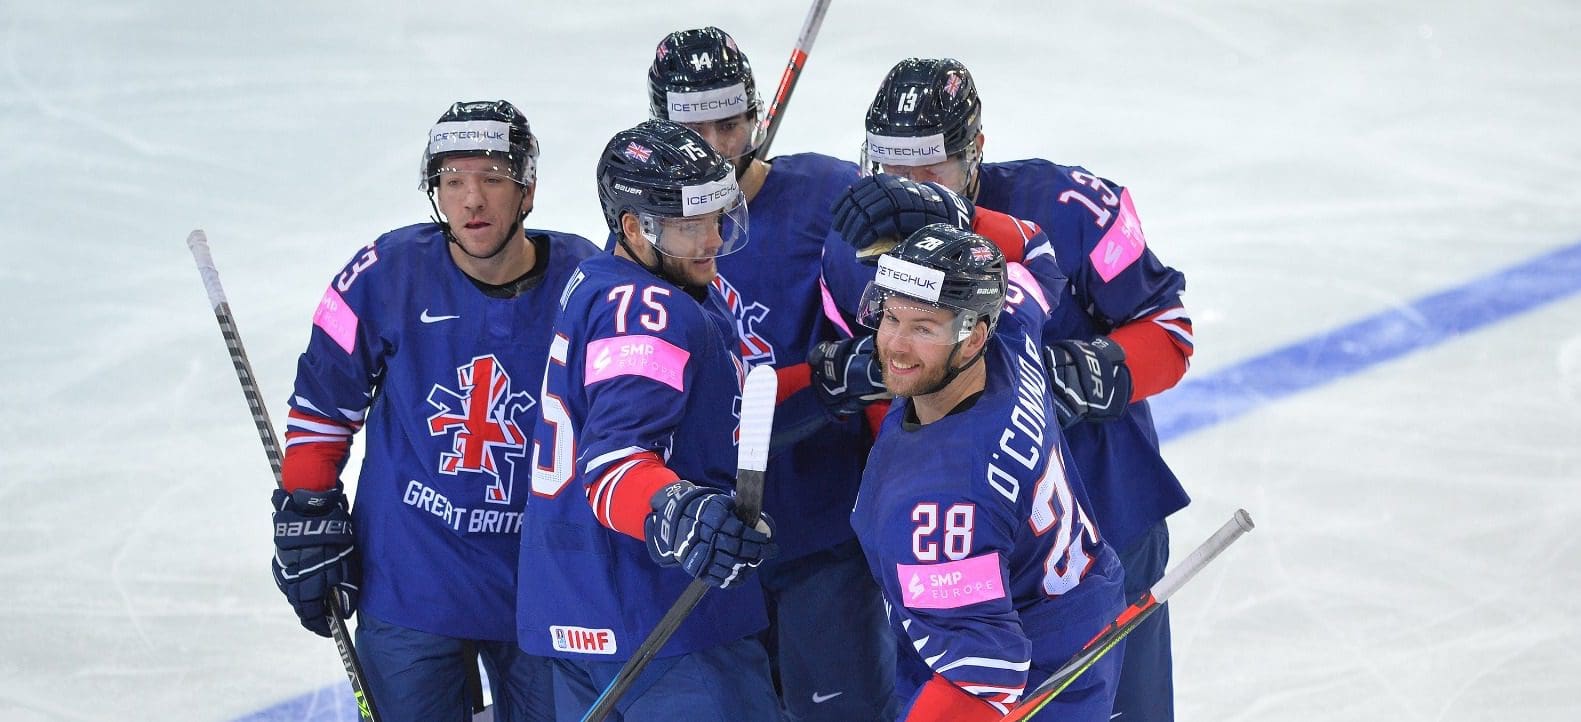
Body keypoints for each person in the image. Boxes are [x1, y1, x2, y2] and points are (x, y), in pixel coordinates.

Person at [852, 58, 1197, 722]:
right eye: (891, 171)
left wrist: (1097, 369)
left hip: (1096, 512)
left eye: (930, 174)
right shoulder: (868, 238)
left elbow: (1170, 328)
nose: (908, 191)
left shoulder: (1070, 205)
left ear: (974, 153)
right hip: (956, 530)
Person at [268, 99, 597, 721]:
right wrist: (306, 505)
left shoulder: (588, 281)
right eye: (453, 180)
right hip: (413, 578)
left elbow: (633, 415)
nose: (473, 200)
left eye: (492, 179)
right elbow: (321, 403)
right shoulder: (383, 273)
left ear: (527, 189)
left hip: (547, 581)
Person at [645, 26, 897, 721]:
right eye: (691, 129)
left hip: (821, 526)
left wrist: (860, 361)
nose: (713, 147)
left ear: (755, 116)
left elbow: (893, 318)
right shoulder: (642, 230)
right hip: (711, 541)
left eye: (728, 125)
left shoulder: (826, 194)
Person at [515, 119, 780, 721]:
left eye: (716, 217)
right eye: (689, 227)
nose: (712, 238)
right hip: (662, 622)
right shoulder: (651, 309)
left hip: (580, 607)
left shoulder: (599, 278)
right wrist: (681, 514)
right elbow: (613, 467)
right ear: (633, 227)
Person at [849, 223, 1124, 721]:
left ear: (973, 337)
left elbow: (984, 674)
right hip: (1074, 604)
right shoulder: (1010, 340)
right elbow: (1036, 251)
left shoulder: (938, 500)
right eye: (891, 317)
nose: (894, 345)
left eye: (924, 328)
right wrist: (947, 215)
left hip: (1032, 680)